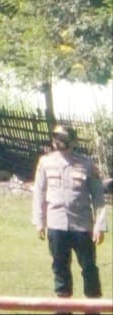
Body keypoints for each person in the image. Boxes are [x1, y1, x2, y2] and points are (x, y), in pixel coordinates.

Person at [33, 125, 106, 301]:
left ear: (73, 141)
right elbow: (39, 192)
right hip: (56, 225)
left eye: (62, 137)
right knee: (60, 267)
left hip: (82, 225)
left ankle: (93, 307)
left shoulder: (87, 165)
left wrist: (100, 225)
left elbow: (98, 197)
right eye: (55, 136)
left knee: (89, 268)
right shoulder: (45, 162)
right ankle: (63, 307)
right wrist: (39, 221)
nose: (57, 141)